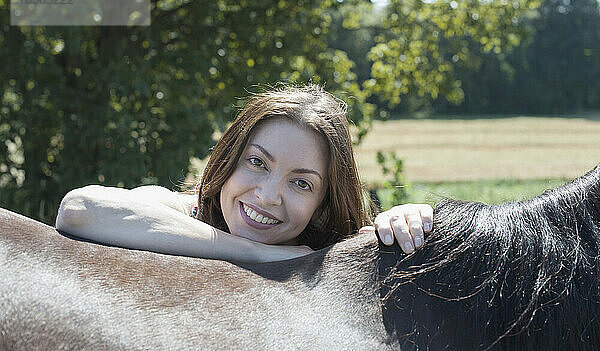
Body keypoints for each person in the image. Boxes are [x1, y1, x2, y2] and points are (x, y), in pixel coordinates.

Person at [56, 84, 433, 263]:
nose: (268, 196)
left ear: (323, 203)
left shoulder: (329, 252)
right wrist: (255, 253)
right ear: (229, 158)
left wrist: (407, 222)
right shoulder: (181, 210)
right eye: (257, 163)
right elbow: (79, 210)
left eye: (301, 183)